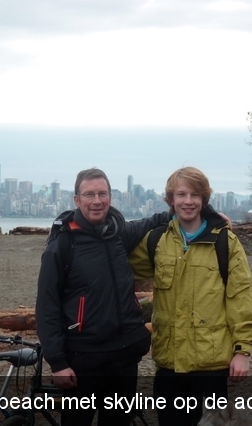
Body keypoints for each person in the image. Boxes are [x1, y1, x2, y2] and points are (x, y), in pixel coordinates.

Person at [35, 167, 171, 426]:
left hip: (124, 356)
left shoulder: (118, 234)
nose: (96, 201)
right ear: (77, 200)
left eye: (102, 194)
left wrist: (209, 216)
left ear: (110, 197)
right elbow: (46, 307)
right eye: (89, 195)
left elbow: (155, 221)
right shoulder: (62, 245)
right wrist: (58, 363)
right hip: (82, 357)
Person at [128, 166, 252, 426]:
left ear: (204, 200)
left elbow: (241, 297)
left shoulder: (225, 243)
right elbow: (119, 269)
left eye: (195, 195)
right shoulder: (156, 240)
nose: (188, 202)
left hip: (210, 367)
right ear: (171, 200)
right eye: (181, 195)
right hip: (169, 364)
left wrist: (242, 351)